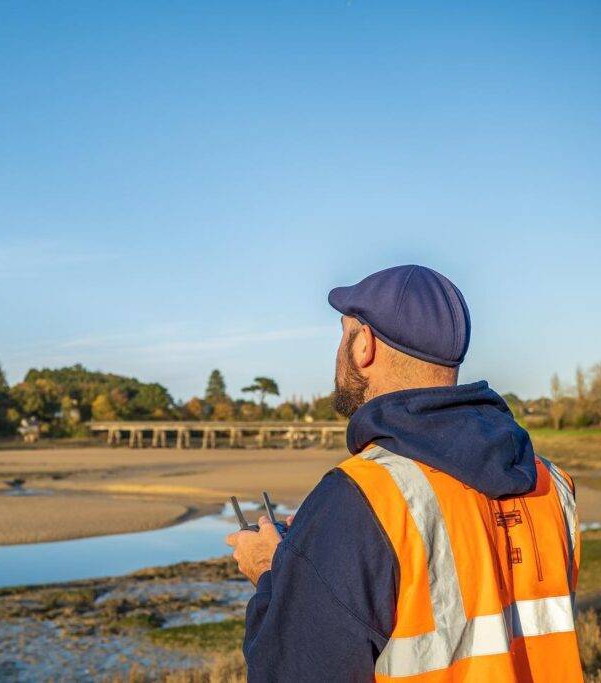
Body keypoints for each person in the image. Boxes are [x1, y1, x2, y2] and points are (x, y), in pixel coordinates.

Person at [226, 265, 582, 682]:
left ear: (364, 345)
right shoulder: (552, 483)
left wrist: (272, 575)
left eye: (344, 332)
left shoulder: (361, 497)